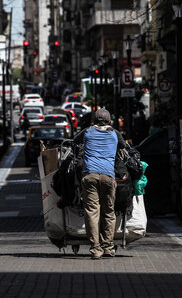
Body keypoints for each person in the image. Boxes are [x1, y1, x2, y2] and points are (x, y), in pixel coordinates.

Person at [73, 108, 126, 260]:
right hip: (109, 176)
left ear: (93, 121)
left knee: (92, 212)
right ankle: (108, 247)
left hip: (89, 176)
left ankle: (96, 249)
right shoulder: (115, 133)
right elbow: (122, 146)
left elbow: (75, 140)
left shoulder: (87, 131)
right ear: (109, 121)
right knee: (109, 212)